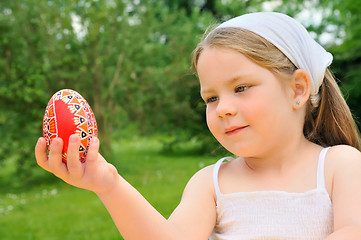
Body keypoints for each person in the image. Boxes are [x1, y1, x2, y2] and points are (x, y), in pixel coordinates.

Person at [35, 12, 361, 239]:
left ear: (298, 89)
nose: (223, 109)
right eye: (211, 98)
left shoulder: (339, 165)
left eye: (241, 88)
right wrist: (108, 185)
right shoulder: (212, 184)